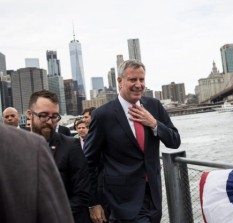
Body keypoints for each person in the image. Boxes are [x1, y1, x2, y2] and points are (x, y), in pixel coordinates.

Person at [84, 60, 181, 223]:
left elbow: (174, 141)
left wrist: (154, 124)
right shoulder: (103, 115)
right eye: (132, 80)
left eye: (141, 80)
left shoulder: (154, 106)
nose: (138, 85)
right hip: (122, 201)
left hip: (154, 198)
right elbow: (88, 162)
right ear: (120, 81)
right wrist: (93, 202)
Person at [26, 89, 92, 223]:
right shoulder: (16, 147)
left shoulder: (70, 146)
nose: (50, 122)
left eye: (55, 116)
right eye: (44, 115)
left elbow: (82, 193)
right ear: (29, 114)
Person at [0, 124, 74, 223]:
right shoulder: (33, 144)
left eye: (54, 116)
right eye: (43, 115)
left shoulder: (33, 145)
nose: (49, 120)